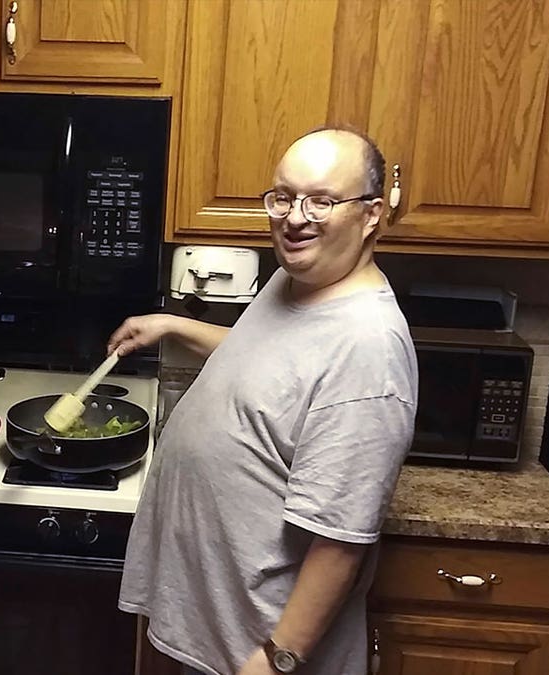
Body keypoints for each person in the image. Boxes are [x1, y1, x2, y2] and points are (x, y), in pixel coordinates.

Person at [111, 128, 418, 675]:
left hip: (257, 648)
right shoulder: (294, 281)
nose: (295, 217)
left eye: (322, 201)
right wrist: (173, 325)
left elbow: (339, 541)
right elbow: (272, 365)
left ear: (371, 215)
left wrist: (276, 659)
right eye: (283, 197)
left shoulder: (367, 348)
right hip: (213, 628)